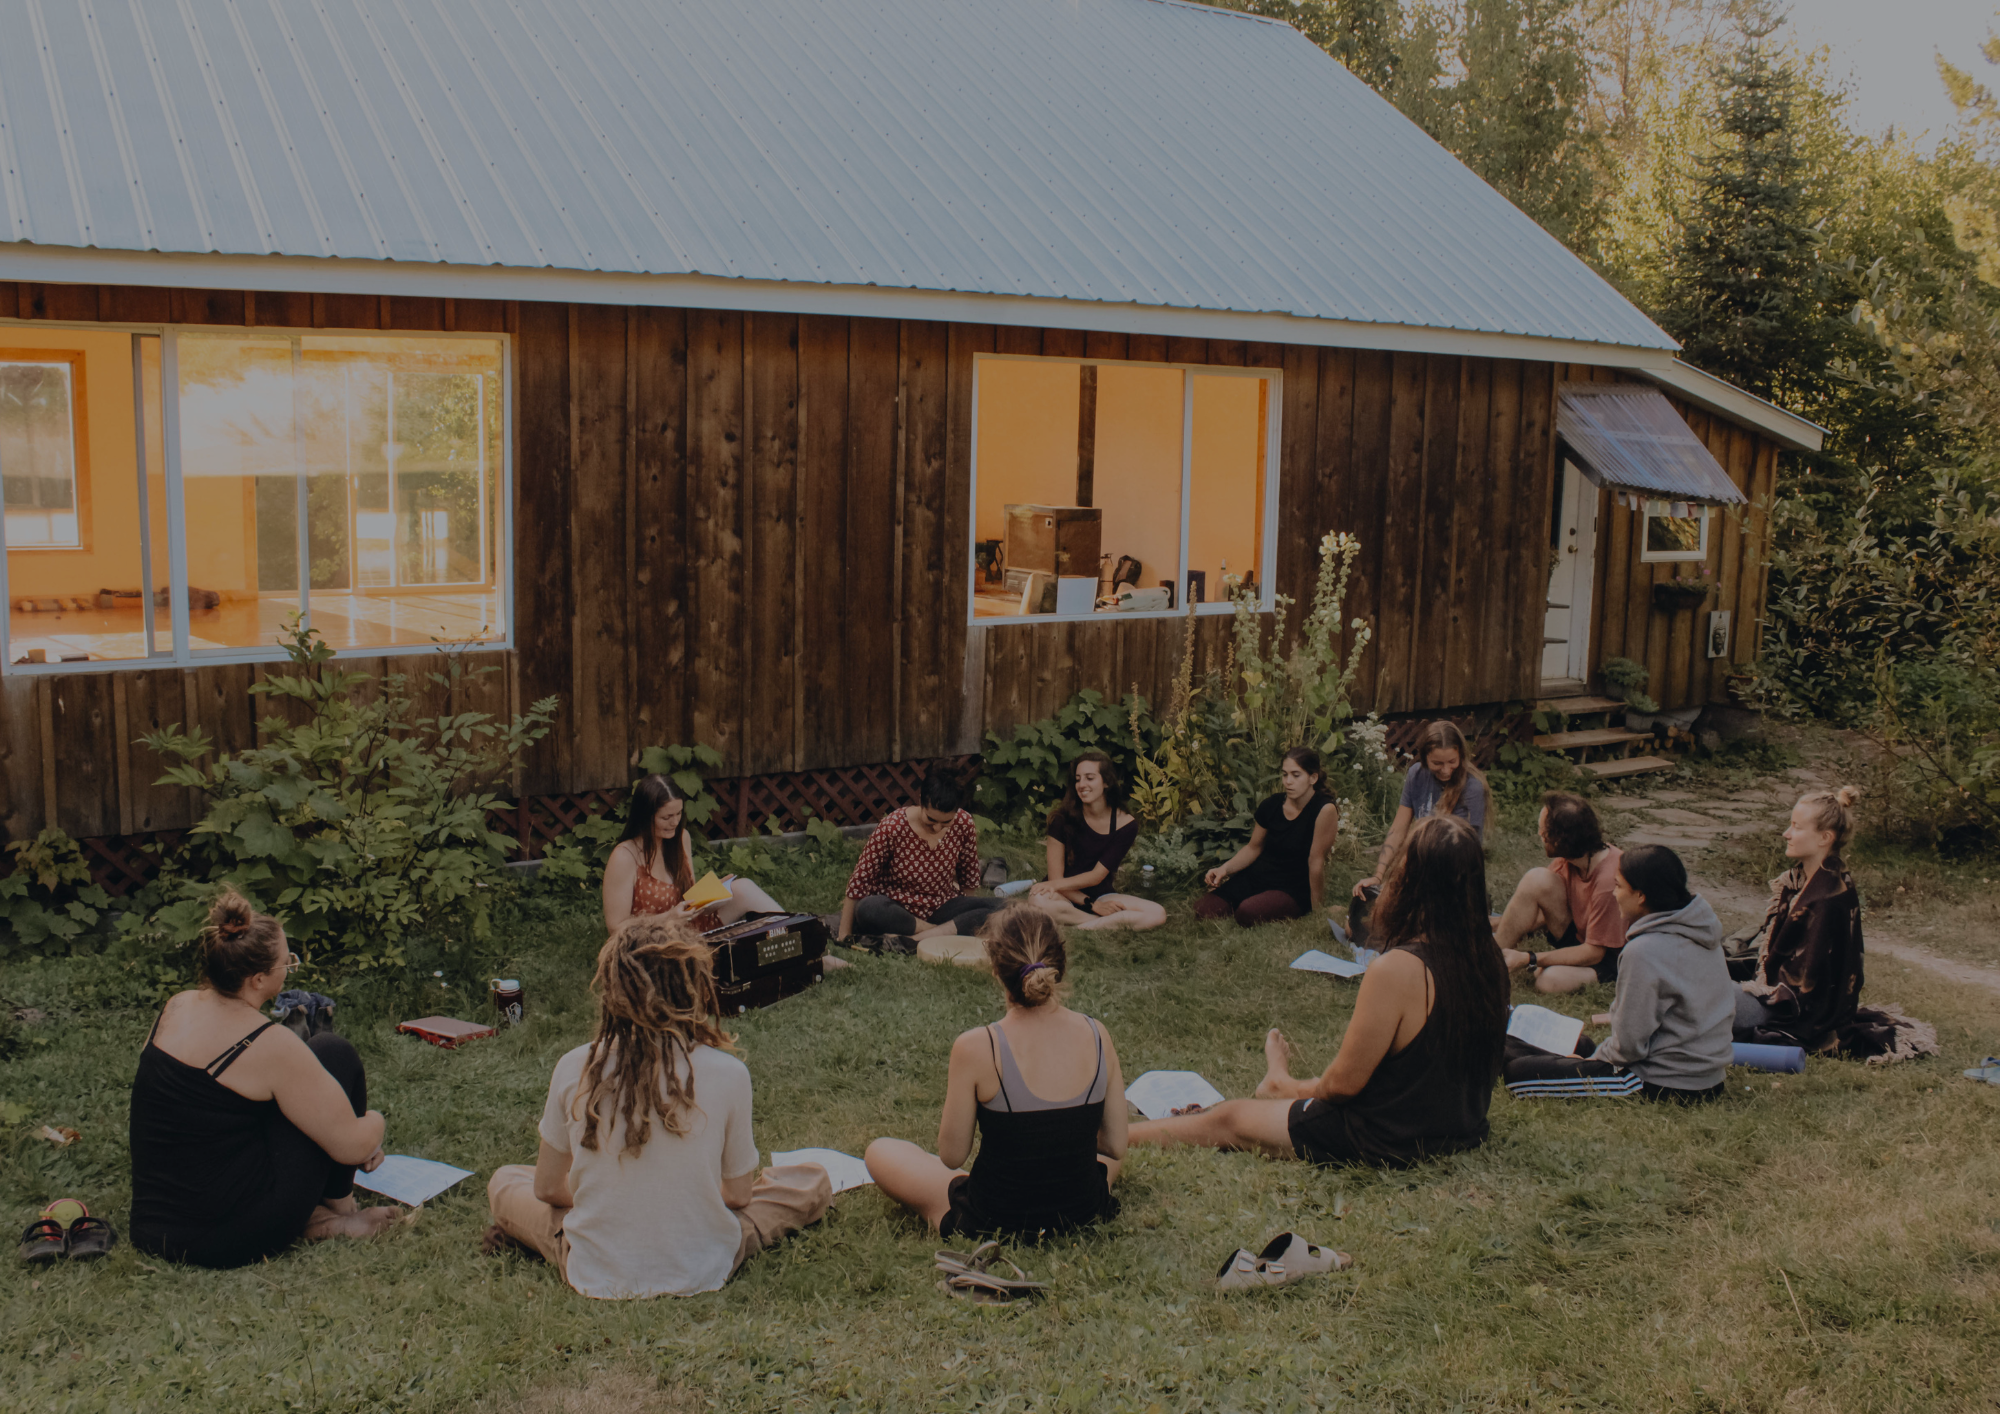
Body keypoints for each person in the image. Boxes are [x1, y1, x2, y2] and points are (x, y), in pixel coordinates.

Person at [1130, 816, 1508, 1166]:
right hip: (1462, 1127)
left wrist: (1292, 1088)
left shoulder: (1397, 969)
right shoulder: (1490, 957)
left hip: (1387, 1136)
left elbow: (1341, 1087)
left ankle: (1119, 1135)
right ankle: (1278, 1082)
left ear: (1410, 881)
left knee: (1230, 1118)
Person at [486, 914, 831, 1298]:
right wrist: (682, 1197)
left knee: (506, 1182)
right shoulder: (729, 1073)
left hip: (596, 1264)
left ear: (613, 989)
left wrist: (613, 1199)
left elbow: (547, 1187)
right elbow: (738, 1197)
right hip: (704, 1257)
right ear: (694, 987)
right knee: (810, 1180)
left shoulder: (574, 1066)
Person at [129, 892, 393, 1268]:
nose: (289, 968)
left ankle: (318, 1214)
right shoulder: (266, 1043)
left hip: (153, 1226)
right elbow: (351, 1146)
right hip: (227, 1238)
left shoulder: (178, 1005)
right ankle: (339, 1210)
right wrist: (374, 1125)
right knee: (334, 1052)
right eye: (286, 963)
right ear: (257, 980)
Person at [864, 906, 1125, 1238]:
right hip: (1082, 1209)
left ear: (995, 968)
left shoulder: (977, 1046)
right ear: (1060, 964)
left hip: (994, 1218)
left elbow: (952, 1156)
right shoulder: (1097, 1034)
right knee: (1100, 1159)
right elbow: (1115, 1146)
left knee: (880, 1152)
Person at [1503, 845, 1733, 1103]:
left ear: (1640, 896)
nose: (1614, 894)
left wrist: (1593, 1061)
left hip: (1662, 1081)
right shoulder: (1701, 931)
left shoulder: (1644, 951)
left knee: (1518, 1073)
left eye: (1619, 886)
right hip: (1708, 1076)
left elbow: (1629, 1047)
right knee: (1566, 1046)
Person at [1734, 787, 1866, 1048]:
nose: (1787, 833)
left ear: (1824, 837)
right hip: (1779, 999)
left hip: (1789, 1014)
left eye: (1796, 827)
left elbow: (1804, 990)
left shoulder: (1826, 898)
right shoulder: (1806, 881)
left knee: (1697, 996)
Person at [837, 769, 1005, 943]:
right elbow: (860, 881)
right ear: (920, 802)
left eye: (946, 822)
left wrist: (970, 910)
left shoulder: (964, 823)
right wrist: (844, 934)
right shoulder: (893, 826)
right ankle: (938, 932)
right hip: (898, 910)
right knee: (868, 908)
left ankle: (914, 939)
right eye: (931, 819)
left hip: (941, 907)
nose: (937, 828)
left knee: (1005, 907)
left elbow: (968, 878)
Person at [602, 775, 784, 934]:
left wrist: (711, 897)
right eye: (666, 817)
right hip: (653, 938)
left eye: (678, 814)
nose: (675, 822)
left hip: (689, 928)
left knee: (744, 887)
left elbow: (687, 900)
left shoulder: (681, 838)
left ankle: (795, 936)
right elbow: (616, 928)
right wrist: (668, 918)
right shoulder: (624, 856)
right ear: (645, 817)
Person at [1194, 747, 1340, 927]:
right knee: (1204, 910)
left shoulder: (1324, 809)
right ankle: (1252, 897)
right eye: (1285, 775)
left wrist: (1318, 909)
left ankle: (1269, 903)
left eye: (1296, 775)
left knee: (1247, 913)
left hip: (1292, 885)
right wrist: (1224, 869)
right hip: (1259, 875)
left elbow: (1316, 861)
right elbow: (1253, 847)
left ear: (1313, 778)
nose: (1288, 782)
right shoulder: (1271, 804)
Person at [1494, 792, 1624, 993]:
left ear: (1560, 840)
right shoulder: (1571, 860)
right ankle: (1489, 960)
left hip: (1607, 957)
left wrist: (1530, 958)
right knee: (1537, 878)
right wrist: (1486, 923)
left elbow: (1595, 952)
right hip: (1580, 937)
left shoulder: (1608, 881)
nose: (1540, 836)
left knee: (1548, 980)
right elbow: (1533, 915)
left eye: (1543, 832)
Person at [1026, 751, 1167, 932]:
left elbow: (1096, 876)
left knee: (1157, 913)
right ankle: (1097, 923)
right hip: (1064, 894)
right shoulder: (1061, 819)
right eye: (1078, 779)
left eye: (1090, 778)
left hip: (1102, 895)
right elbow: (1056, 880)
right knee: (1037, 900)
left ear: (1106, 782)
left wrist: (1096, 901)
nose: (1081, 785)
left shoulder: (1125, 825)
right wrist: (1092, 905)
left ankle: (1081, 926)